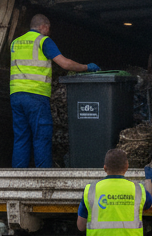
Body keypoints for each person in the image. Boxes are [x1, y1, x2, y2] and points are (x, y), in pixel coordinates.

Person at [10, 13, 99, 168]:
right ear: (43, 26)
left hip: (16, 95)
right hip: (36, 95)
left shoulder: (15, 42)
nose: (49, 31)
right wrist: (86, 67)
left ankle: (17, 176)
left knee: (21, 137)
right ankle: (43, 178)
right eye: (48, 28)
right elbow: (65, 64)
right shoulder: (43, 41)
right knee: (41, 135)